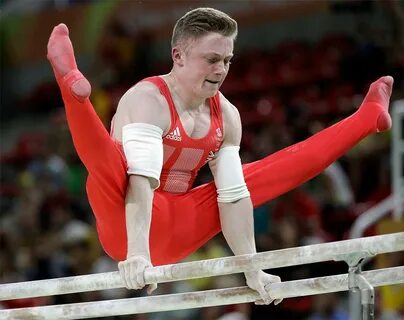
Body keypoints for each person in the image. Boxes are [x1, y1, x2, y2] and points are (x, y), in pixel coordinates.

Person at [46, 7, 393, 305]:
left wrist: (252, 270)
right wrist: (138, 255)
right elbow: (140, 182)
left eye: (227, 60)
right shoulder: (146, 100)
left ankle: (365, 119)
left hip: (180, 225)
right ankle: (71, 87)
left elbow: (232, 199)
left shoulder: (226, 116)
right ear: (178, 55)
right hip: (126, 221)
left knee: (252, 178)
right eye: (211, 59)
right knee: (110, 167)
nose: (221, 69)